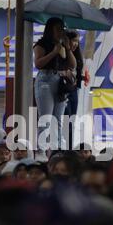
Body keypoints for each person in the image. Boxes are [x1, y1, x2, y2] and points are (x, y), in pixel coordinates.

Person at [34, 17, 76, 153]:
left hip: (59, 80)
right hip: (45, 79)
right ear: (50, 29)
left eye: (62, 29)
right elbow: (38, 64)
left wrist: (68, 48)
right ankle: (41, 151)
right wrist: (53, 52)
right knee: (46, 119)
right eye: (57, 28)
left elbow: (72, 64)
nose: (60, 31)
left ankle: (57, 151)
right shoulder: (41, 44)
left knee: (58, 120)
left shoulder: (63, 45)